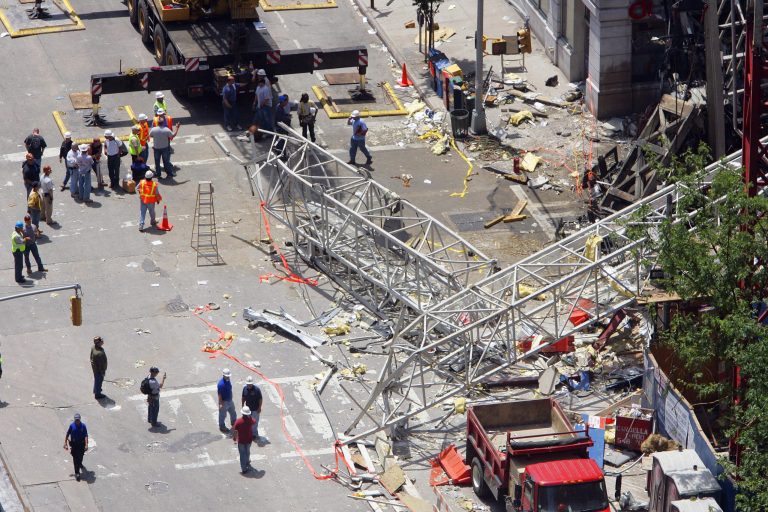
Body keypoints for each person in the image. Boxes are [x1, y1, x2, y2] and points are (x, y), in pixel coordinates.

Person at [63, 413, 88, 481]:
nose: (77, 421)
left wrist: (86, 444)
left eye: (78, 420)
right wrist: (65, 443)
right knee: (75, 458)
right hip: (74, 445)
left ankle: (80, 463)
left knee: (81, 457)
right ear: (74, 419)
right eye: (76, 420)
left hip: (81, 444)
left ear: (80, 419)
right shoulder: (72, 426)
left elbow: (85, 435)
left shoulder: (83, 426)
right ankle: (77, 473)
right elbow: (67, 434)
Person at [232, 406, 256, 474]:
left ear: (242, 413)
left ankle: (244, 469)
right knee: (247, 451)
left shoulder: (238, 421)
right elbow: (254, 421)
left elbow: (235, 431)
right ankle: (247, 461)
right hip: (249, 440)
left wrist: (234, 438)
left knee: (242, 454)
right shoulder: (250, 420)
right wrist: (250, 417)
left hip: (241, 441)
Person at [241, 375, 263, 440]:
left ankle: (254, 434)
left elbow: (260, 399)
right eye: (248, 384)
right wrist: (242, 405)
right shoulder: (245, 389)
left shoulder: (257, 390)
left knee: (255, 423)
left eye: (250, 384)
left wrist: (259, 407)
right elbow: (243, 397)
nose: (249, 385)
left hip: (255, 410)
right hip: (248, 410)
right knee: (247, 422)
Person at [217, 368, 237, 433]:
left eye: (228, 376)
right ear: (223, 375)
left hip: (230, 400)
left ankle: (234, 422)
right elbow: (219, 395)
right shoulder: (221, 384)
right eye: (227, 376)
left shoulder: (228, 380)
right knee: (222, 415)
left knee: (233, 412)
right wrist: (221, 404)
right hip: (224, 402)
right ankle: (222, 426)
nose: (228, 377)